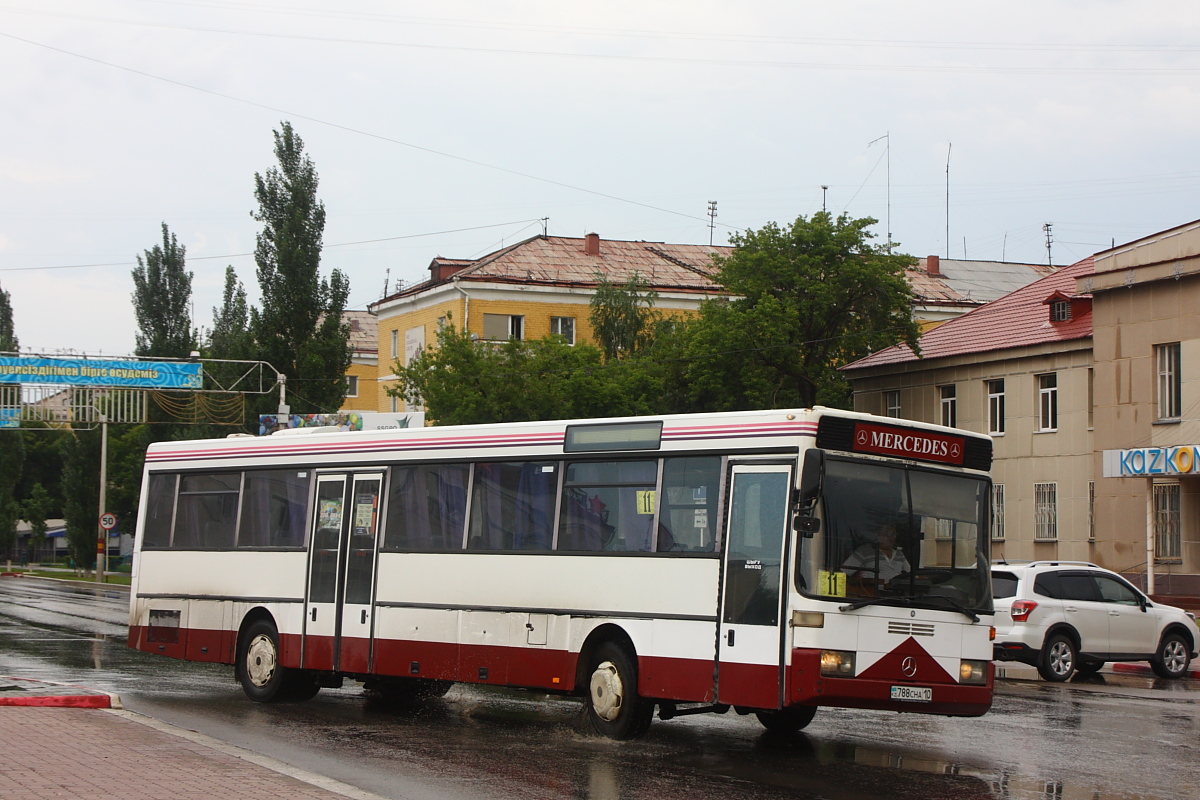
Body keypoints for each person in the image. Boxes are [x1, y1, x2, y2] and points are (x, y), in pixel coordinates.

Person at [843, 523, 910, 594]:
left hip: (897, 595)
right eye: (886, 535)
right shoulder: (864, 551)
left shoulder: (899, 554)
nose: (890, 538)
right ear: (877, 536)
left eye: (893, 535)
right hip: (872, 596)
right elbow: (844, 573)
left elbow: (909, 574)